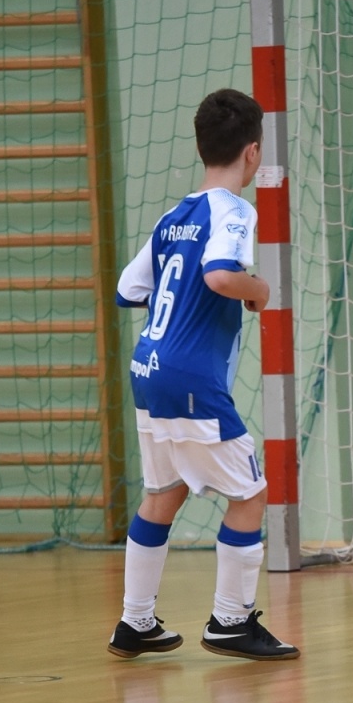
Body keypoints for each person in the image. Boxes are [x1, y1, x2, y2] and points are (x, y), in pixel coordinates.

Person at [106, 89, 299, 661]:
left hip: (149, 367)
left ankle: (135, 622)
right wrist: (258, 290)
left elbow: (127, 290)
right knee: (251, 495)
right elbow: (219, 275)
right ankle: (230, 621)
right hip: (190, 378)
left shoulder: (174, 215)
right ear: (252, 153)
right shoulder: (235, 211)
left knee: (162, 495)